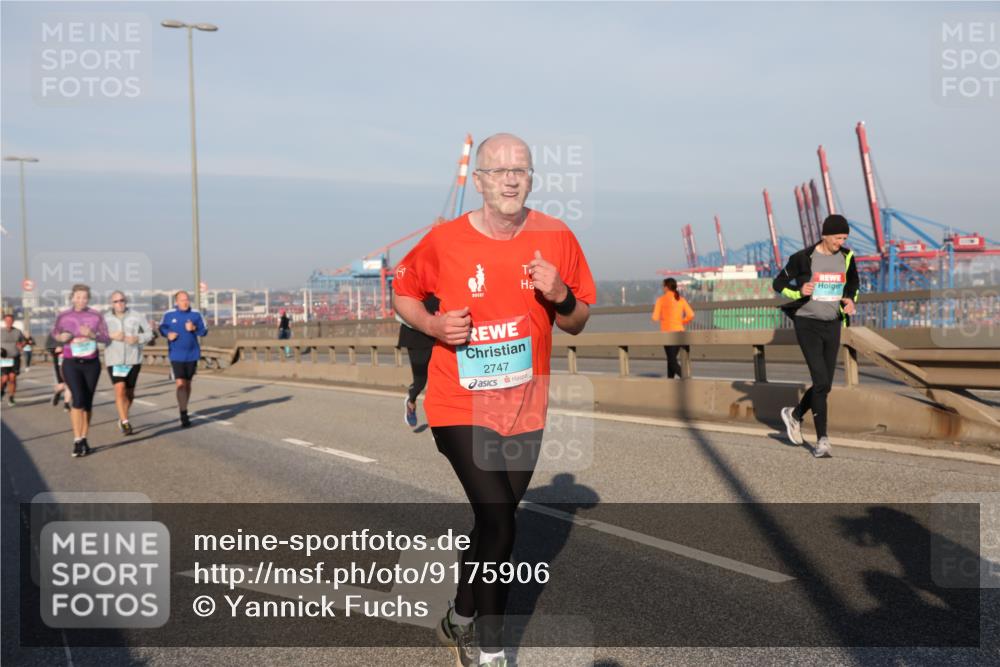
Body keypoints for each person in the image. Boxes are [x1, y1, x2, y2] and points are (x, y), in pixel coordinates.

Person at [393, 133, 596, 667]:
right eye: (499, 170)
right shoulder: (445, 240)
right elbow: (403, 293)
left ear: (531, 179)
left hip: (525, 407)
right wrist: (435, 323)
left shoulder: (557, 237)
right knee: (503, 520)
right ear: (479, 181)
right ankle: (490, 650)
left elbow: (577, 321)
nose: (510, 178)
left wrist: (561, 295)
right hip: (460, 402)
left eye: (521, 170)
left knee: (490, 522)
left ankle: (459, 612)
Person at [772, 214, 859, 458]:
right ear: (824, 235)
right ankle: (823, 441)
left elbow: (853, 283)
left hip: (832, 324)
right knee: (821, 381)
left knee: (825, 384)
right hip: (807, 323)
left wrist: (851, 300)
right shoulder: (802, 258)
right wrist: (797, 289)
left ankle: (795, 414)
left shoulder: (847, 257)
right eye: (837, 238)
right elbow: (778, 283)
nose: (840, 242)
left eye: (844, 238)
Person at [51, 284, 111, 457]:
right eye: (78, 297)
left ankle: (84, 437)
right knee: (77, 399)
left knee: (88, 402)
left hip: (92, 363)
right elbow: (55, 334)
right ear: (72, 298)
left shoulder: (96, 316)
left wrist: (92, 335)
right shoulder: (64, 316)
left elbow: (106, 338)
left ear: (88, 298)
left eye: (84, 297)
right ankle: (77, 440)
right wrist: (61, 337)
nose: (81, 300)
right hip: (71, 362)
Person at [104, 291, 154, 435]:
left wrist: (137, 338)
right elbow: (98, 337)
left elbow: (149, 333)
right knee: (120, 389)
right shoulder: (105, 319)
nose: (119, 303)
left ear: (126, 301)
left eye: (122, 300)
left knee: (130, 394)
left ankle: (122, 417)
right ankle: (125, 422)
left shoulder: (137, 316)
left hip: (133, 360)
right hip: (114, 360)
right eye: (116, 301)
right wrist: (111, 336)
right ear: (111, 303)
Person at [159, 290, 208, 428]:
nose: (185, 302)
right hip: (176, 354)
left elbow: (204, 331)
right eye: (182, 300)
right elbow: (161, 328)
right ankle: (183, 413)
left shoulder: (196, 314)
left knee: (187, 384)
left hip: (192, 354)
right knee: (180, 383)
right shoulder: (169, 314)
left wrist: (194, 327)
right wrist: (168, 334)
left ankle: (184, 407)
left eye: (187, 299)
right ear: (176, 302)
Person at [397, 294, 440, 427]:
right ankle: (411, 400)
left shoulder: (442, 280)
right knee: (420, 381)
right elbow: (400, 311)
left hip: (439, 335)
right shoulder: (410, 281)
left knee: (439, 381)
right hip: (415, 337)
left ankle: (440, 425)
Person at [651, 277, 695, 378]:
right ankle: (670, 382)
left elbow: (654, 317)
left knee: (672, 361)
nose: (663, 288)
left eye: (663, 286)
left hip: (668, 334)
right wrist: (682, 321)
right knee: (671, 360)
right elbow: (691, 315)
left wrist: (663, 317)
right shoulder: (681, 299)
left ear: (666, 287)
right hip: (680, 333)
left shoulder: (661, 300)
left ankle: (687, 379)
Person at [1, 314, 25, 406]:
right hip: (4, 358)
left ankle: (11, 397)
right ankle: (1, 391)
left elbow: (23, 341)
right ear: (5, 321)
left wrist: (21, 345)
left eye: (10, 321)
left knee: (12, 378)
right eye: (7, 321)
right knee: (4, 379)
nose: (9, 322)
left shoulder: (18, 332)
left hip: (15, 357)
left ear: (13, 321)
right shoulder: (1, 331)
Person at [45, 333, 71, 411]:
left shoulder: (72, 332)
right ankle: (57, 392)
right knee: (61, 385)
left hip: (71, 363)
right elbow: (48, 346)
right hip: (59, 364)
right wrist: (55, 349)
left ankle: (66, 404)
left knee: (69, 384)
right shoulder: (53, 333)